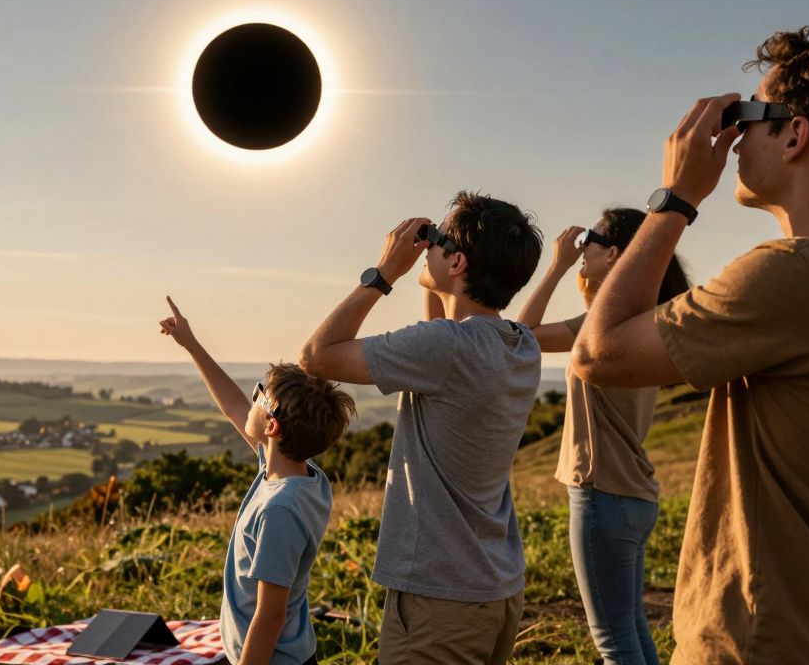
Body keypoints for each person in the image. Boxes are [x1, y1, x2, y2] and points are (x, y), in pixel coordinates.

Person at [572, 26, 809, 663]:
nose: (735, 137)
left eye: (748, 116)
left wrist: (676, 197)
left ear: (796, 134)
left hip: (765, 638)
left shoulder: (795, 274)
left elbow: (597, 354)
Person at [299, 192, 543, 665]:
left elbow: (317, 356)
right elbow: (443, 340)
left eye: (439, 243)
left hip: (438, 597)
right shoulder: (521, 346)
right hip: (494, 586)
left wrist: (385, 272)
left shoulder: (447, 349)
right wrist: (437, 271)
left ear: (457, 261)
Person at [517, 210, 690, 665]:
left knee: (614, 641)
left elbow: (519, 336)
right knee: (632, 629)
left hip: (602, 494)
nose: (581, 249)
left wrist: (554, 267)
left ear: (614, 253)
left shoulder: (599, 325)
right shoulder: (649, 320)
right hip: (635, 496)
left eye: (590, 239)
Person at [158, 296, 354, 665]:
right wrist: (191, 344)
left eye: (259, 396)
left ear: (272, 426)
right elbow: (234, 406)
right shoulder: (297, 470)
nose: (252, 399)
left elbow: (270, 615)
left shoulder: (281, 509)